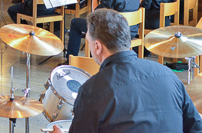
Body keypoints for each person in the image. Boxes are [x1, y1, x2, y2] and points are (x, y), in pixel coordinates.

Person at [53, 9, 202, 133]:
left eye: (88, 42)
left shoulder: (91, 90)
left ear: (97, 46)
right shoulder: (168, 75)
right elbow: (196, 127)